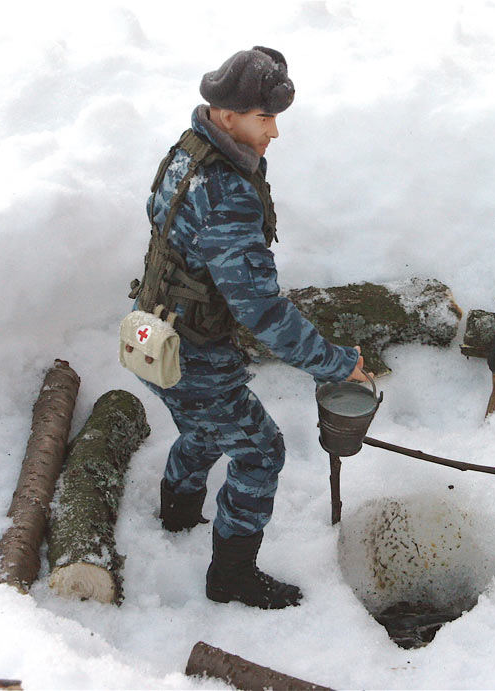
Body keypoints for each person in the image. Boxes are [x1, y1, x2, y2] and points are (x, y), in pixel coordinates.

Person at [129, 46, 366, 610]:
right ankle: (231, 577)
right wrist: (335, 363)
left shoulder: (187, 151)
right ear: (227, 115)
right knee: (260, 451)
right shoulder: (227, 193)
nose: (275, 132)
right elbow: (261, 312)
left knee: (204, 427)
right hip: (193, 357)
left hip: (151, 331)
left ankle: (179, 512)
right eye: (265, 118)